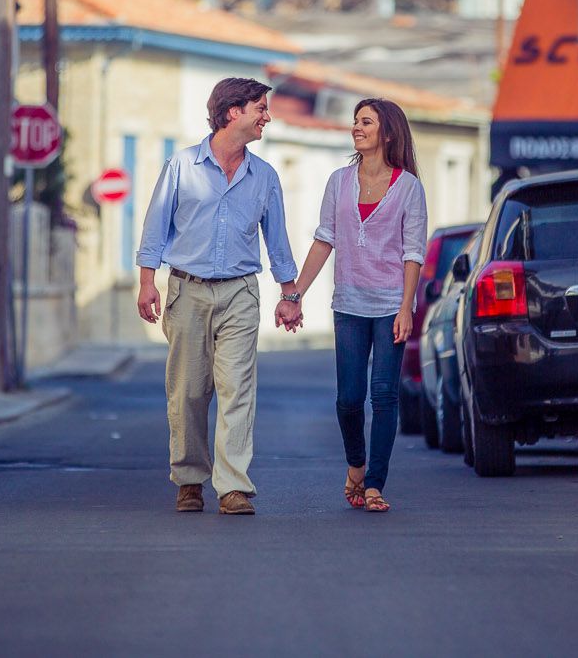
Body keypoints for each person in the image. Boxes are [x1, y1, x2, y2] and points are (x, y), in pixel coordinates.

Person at [136, 78, 303, 516]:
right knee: (189, 391)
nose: (267, 116)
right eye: (260, 108)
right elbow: (156, 227)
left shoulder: (264, 176)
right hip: (186, 289)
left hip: (241, 291)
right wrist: (146, 281)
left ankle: (232, 486)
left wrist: (290, 293)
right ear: (233, 112)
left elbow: (277, 241)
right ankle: (190, 479)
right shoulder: (182, 166)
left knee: (237, 387)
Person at [285, 98, 427, 512]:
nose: (356, 128)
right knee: (349, 398)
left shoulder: (409, 187)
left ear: (387, 133)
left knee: (383, 395)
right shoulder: (338, 181)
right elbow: (324, 239)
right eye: (355, 121)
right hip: (348, 302)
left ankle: (374, 485)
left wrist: (406, 307)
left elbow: (413, 252)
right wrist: (295, 294)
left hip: (389, 307)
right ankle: (356, 465)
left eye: (366, 122)